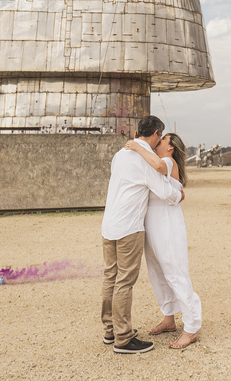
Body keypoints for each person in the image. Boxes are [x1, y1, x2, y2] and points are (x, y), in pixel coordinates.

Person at [100, 115, 181, 355]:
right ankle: (123, 339)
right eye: (160, 137)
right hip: (129, 227)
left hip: (109, 224)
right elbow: (165, 192)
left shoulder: (120, 154)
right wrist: (180, 195)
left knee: (110, 278)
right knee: (125, 281)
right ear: (156, 133)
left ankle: (110, 331)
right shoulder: (146, 159)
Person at [124, 132, 202, 349]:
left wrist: (137, 146)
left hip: (167, 223)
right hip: (152, 223)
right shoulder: (155, 160)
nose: (157, 144)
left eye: (162, 141)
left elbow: (158, 166)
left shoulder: (167, 161)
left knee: (175, 273)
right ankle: (169, 318)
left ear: (171, 148)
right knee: (157, 273)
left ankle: (191, 327)